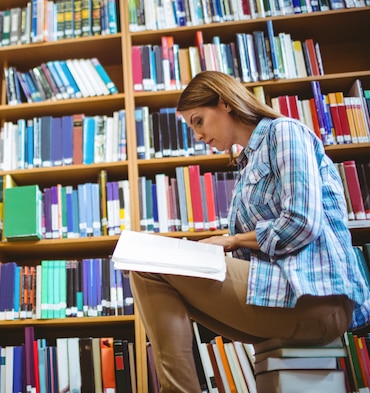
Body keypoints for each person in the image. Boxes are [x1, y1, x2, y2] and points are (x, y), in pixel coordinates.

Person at [129, 71, 370, 392]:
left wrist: (230, 241)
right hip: (276, 295)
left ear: (225, 103)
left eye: (198, 121)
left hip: (314, 295)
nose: (197, 136)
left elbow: (302, 222)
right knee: (152, 271)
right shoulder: (246, 165)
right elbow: (253, 252)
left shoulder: (283, 132)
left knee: (148, 265)